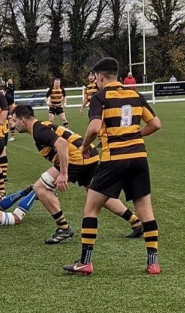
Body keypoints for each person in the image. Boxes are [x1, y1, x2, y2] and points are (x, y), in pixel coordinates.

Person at [65, 57, 161, 275]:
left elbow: (94, 127)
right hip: (139, 158)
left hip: (113, 159)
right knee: (146, 210)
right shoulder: (135, 94)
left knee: (91, 208)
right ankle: (153, 263)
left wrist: (85, 147)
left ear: (99, 76)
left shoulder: (100, 97)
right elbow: (155, 124)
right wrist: (135, 134)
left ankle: (85, 261)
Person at [11, 104, 144, 244]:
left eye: (14, 120)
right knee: (97, 193)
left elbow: (61, 144)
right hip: (90, 155)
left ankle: (63, 228)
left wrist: (63, 173)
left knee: (40, 188)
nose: (12, 124)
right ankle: (135, 222)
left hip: (76, 159)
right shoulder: (43, 125)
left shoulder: (38, 131)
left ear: (23, 120)